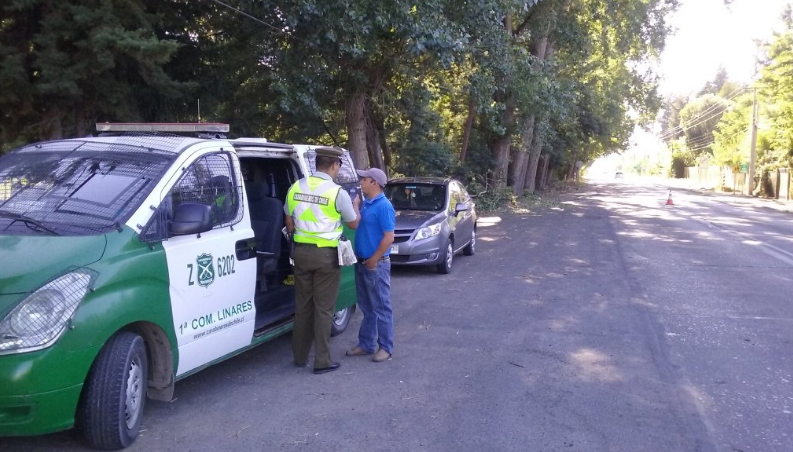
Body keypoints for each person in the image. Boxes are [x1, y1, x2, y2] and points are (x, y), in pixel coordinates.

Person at [284, 147, 360, 374]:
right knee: (324, 309)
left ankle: (299, 357)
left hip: (301, 254)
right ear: (335, 165)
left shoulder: (295, 187)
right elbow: (353, 223)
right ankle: (322, 361)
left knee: (303, 305)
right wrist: (355, 208)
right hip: (326, 256)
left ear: (317, 164)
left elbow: (289, 224)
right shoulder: (337, 193)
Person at [346, 167, 395, 363]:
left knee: (381, 307)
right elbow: (356, 224)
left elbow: (389, 237)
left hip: (376, 264)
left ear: (374, 182)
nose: (361, 181)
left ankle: (386, 347)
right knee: (367, 306)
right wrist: (356, 205)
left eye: (364, 179)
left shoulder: (384, 206)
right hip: (362, 261)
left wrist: (374, 259)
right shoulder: (367, 203)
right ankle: (366, 344)